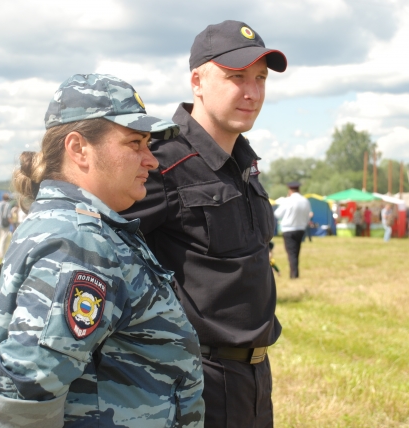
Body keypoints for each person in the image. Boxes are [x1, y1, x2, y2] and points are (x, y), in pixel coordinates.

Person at [0, 74, 204, 428]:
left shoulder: (79, 227)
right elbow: (24, 392)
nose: (152, 160)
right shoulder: (79, 242)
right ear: (78, 148)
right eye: (134, 144)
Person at [120, 20, 287, 428]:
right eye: (236, 77)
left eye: (260, 78)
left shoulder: (245, 163)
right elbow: (99, 254)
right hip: (194, 379)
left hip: (253, 376)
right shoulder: (161, 164)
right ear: (197, 80)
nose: (252, 92)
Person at [275, 181, 312, 278]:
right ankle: (295, 273)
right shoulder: (305, 200)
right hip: (300, 229)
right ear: (299, 190)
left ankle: (294, 275)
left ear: (290, 190)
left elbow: (277, 214)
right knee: (296, 252)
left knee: (291, 253)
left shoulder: (288, 200)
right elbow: (308, 216)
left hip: (288, 229)